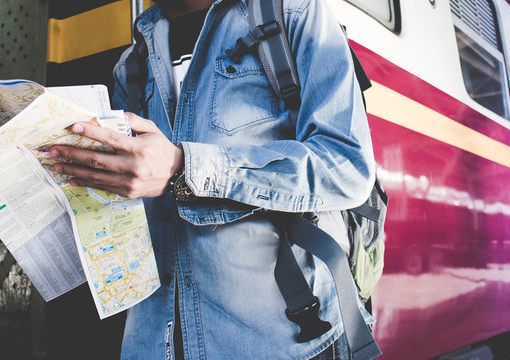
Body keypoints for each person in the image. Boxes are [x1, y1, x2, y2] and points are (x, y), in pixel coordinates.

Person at [49, 0, 375, 358]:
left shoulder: (293, 13)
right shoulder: (133, 62)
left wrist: (184, 167)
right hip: (156, 341)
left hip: (286, 338)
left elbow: (347, 167)